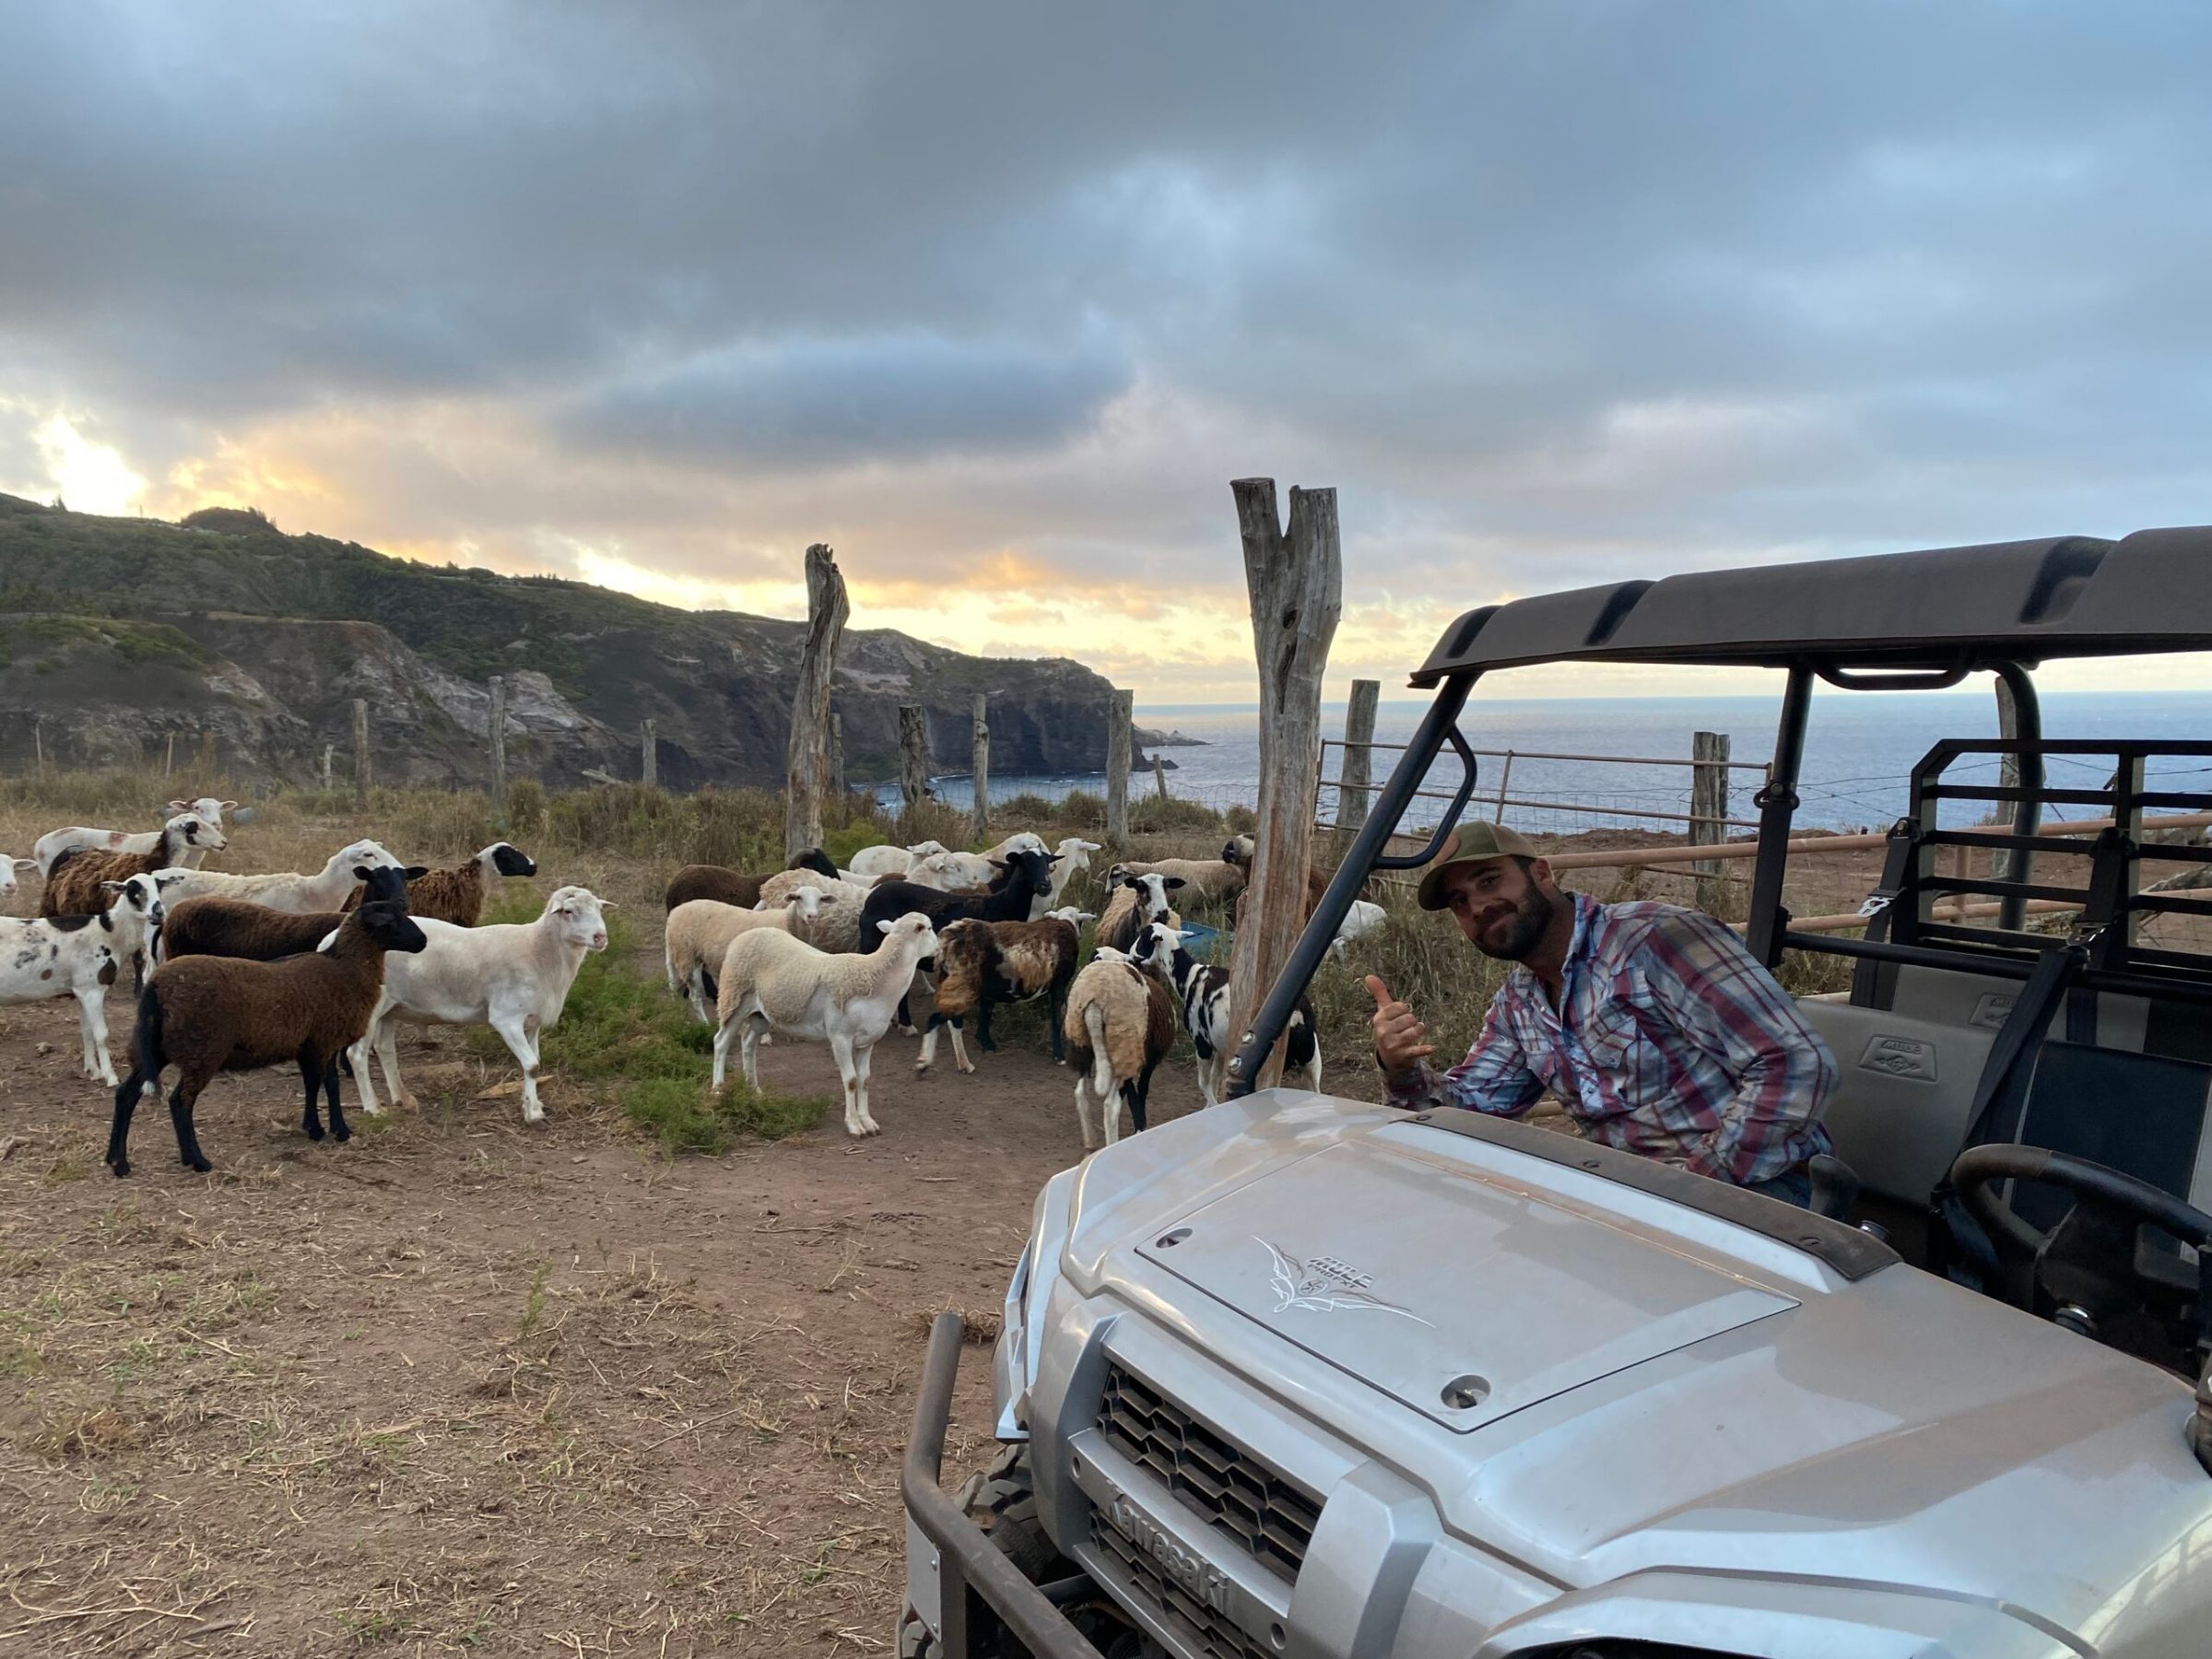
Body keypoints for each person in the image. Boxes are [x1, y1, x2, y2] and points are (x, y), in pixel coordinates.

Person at [1368, 821, 1835, 1206]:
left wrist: (1694, 1187)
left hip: (1760, 1194)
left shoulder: (1658, 940)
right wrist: (1401, 1067)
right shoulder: (1520, 1003)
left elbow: (1793, 1064)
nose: (1478, 907)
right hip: (1629, 1198)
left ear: (1543, 874)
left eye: (1489, 881)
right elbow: (1473, 1109)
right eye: (1459, 902)